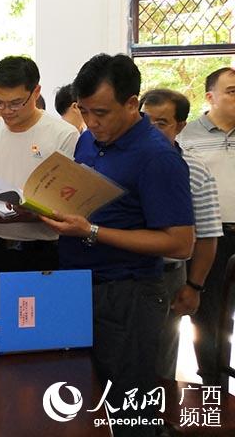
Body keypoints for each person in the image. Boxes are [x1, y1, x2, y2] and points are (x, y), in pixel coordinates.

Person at [42, 54, 194, 437]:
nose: (91, 123)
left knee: (128, 407)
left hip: (128, 294)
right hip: (78, 285)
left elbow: (180, 243)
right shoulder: (88, 141)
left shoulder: (158, 157)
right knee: (82, 394)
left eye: (101, 113)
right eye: (84, 111)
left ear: (131, 104)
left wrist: (91, 231)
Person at [0, 56, 78, 291]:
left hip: (41, 252)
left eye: (15, 103)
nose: (6, 111)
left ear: (36, 92)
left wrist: (7, 215)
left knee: (41, 313)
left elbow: (64, 206)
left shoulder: (64, 135)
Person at [139, 89, 222, 380]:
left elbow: (208, 235)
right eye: (145, 121)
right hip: (122, 275)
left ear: (180, 126)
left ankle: (157, 410)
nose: (151, 130)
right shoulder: (125, 162)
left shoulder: (194, 170)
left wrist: (194, 286)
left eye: (161, 123)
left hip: (168, 276)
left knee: (159, 362)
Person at [177, 66, 235, 386]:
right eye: (232, 91)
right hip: (211, 238)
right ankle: (214, 385)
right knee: (209, 316)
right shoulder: (187, 137)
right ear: (210, 97)